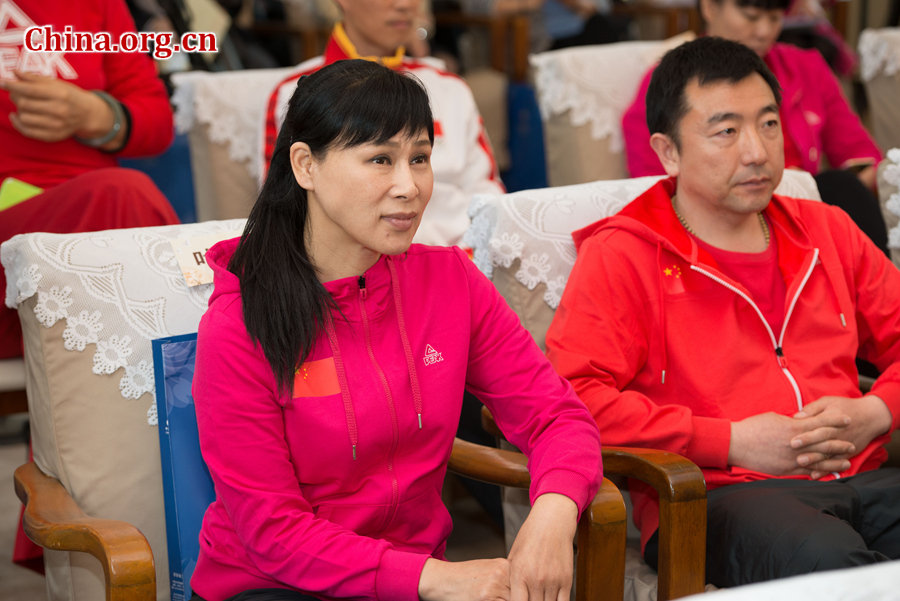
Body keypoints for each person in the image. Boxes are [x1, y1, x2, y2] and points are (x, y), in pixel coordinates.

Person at [190, 59, 602, 601]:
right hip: (273, 585)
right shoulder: (240, 322)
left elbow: (556, 416)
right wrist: (435, 578)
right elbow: (272, 532)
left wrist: (554, 511)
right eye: (380, 159)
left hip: (414, 582)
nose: (409, 186)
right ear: (305, 165)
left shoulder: (451, 282)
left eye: (421, 158)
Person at [546, 36, 900, 588]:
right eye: (726, 132)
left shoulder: (826, 230)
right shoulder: (624, 253)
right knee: (828, 562)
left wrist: (876, 413)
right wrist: (729, 440)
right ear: (668, 152)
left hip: (862, 476)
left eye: (768, 124)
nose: (756, 152)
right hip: (718, 498)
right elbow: (574, 399)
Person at [621, 0, 889, 256]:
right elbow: (656, 189)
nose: (763, 31)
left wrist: (804, 186)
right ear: (710, 7)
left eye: (774, 18)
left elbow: (863, 156)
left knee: (843, 190)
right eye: (751, 16)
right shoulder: (675, 85)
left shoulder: (806, 68)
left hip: (805, 211)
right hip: (721, 221)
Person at [0, 0, 180, 360]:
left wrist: (97, 115)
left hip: (94, 220)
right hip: (18, 232)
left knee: (124, 205)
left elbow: (159, 122)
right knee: (125, 195)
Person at [262, 0, 504, 248]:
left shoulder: (449, 88)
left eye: (420, 158)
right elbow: (286, 211)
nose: (405, 4)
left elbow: (487, 195)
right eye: (380, 159)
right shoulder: (296, 92)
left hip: (460, 257)